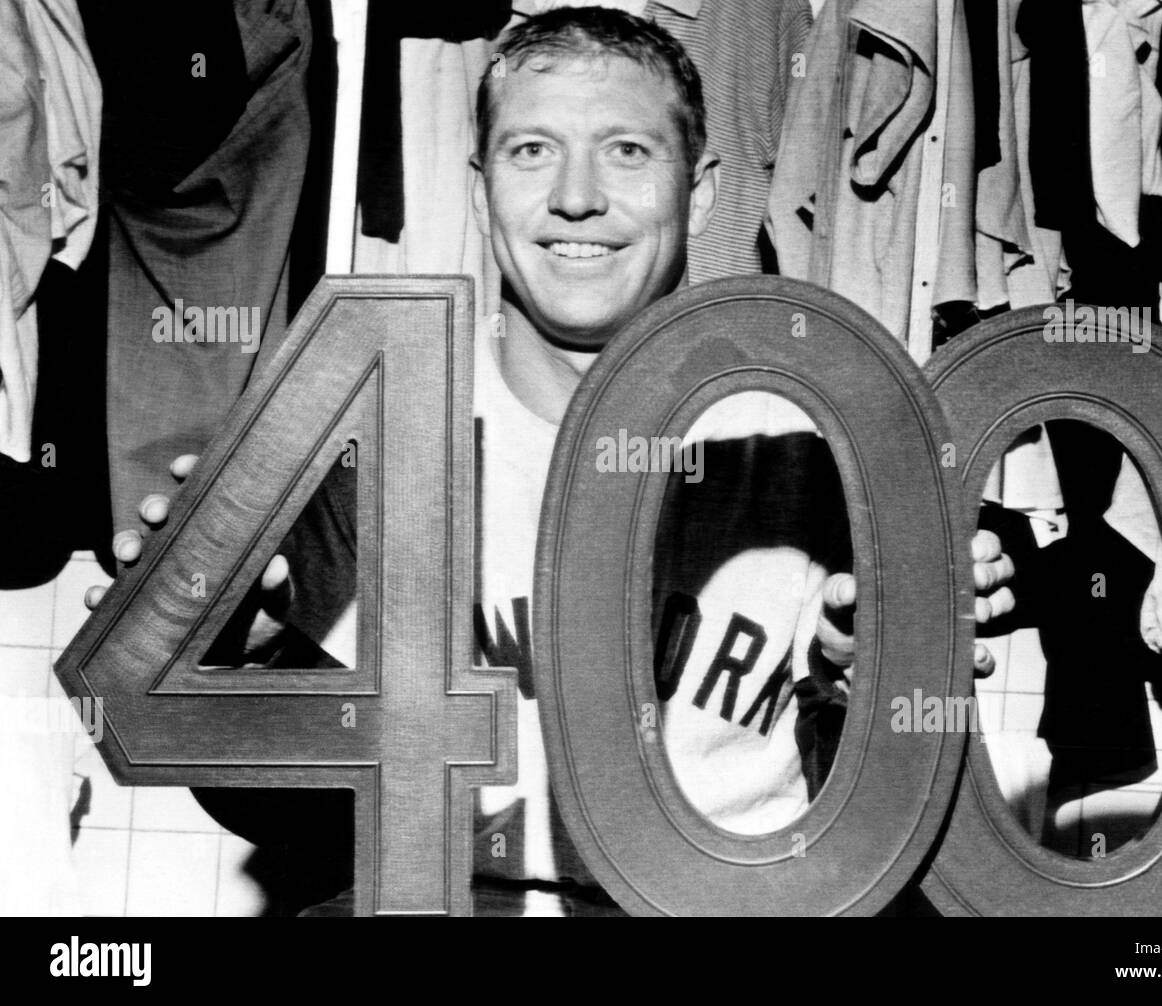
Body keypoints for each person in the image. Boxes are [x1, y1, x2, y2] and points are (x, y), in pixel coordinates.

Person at [90, 6, 1015, 916]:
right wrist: (241, 672)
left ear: (698, 191)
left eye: (627, 151)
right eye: (532, 151)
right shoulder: (356, 449)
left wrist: (880, 679)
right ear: (483, 182)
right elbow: (293, 821)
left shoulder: (811, 457)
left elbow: (879, 824)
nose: (577, 196)